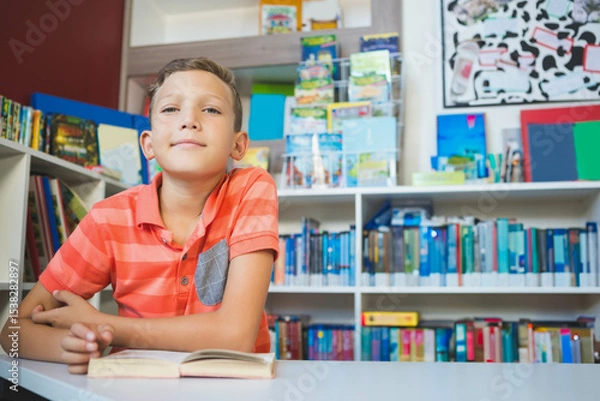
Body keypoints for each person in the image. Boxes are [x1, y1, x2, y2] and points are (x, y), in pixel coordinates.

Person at [0, 57, 279, 374]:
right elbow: (13, 330)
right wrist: (69, 347)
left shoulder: (251, 188)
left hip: (233, 388)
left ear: (237, 144)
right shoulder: (109, 218)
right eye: (171, 109)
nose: (189, 120)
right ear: (148, 144)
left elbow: (236, 336)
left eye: (211, 109)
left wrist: (107, 326)